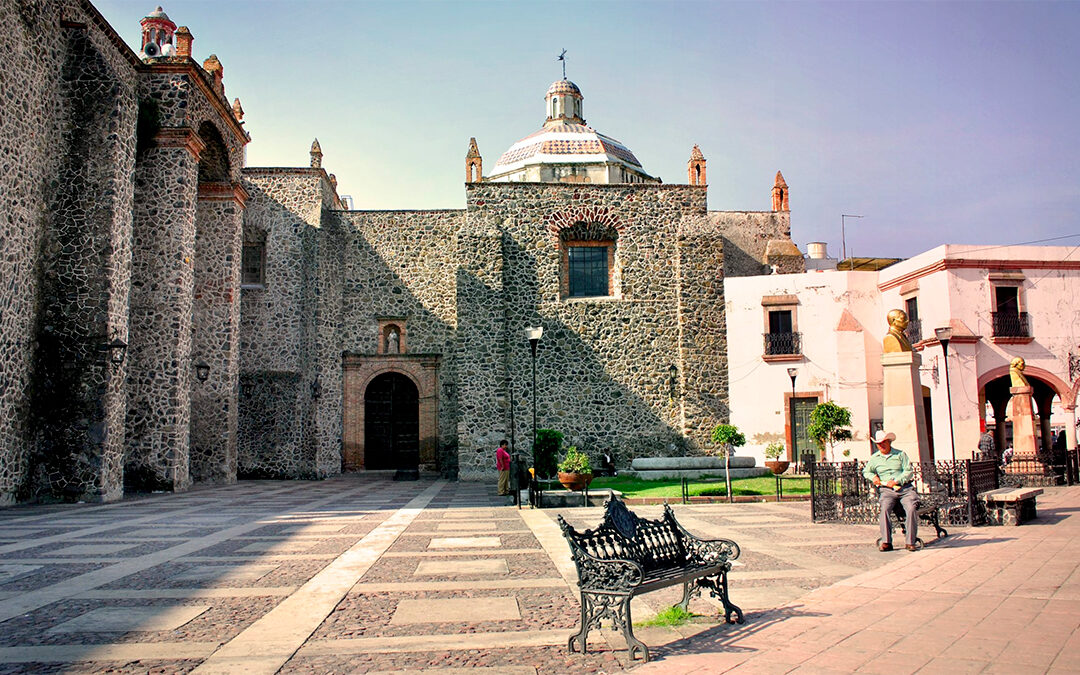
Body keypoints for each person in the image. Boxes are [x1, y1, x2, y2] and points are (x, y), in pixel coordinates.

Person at [862, 430, 918, 552]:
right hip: (887, 490)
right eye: (879, 443)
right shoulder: (874, 458)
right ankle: (886, 541)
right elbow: (866, 471)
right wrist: (874, 477)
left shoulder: (900, 454)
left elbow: (908, 471)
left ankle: (910, 541)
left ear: (889, 442)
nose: (881, 445)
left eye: (883, 442)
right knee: (884, 509)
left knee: (911, 508)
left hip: (904, 489)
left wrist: (897, 481)